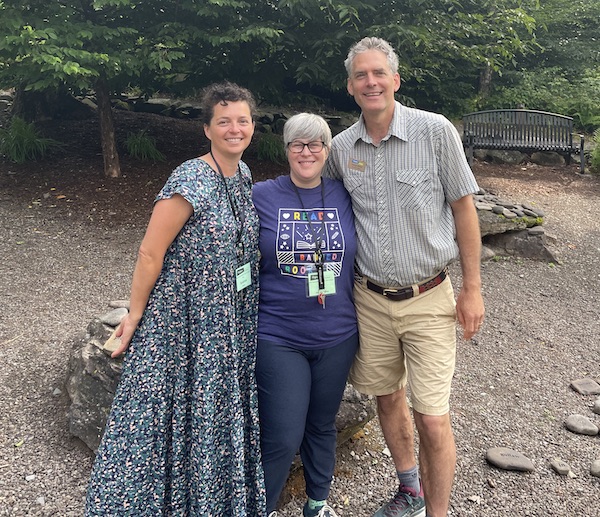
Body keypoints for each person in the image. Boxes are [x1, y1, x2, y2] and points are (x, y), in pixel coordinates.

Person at [85, 81, 266, 516]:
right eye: (224, 121)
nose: (234, 129)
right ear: (207, 129)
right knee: (167, 409)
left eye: (242, 120)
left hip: (226, 316)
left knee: (209, 408)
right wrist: (135, 313)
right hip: (184, 316)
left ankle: (208, 495)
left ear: (253, 126)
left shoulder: (242, 175)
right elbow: (151, 250)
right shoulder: (190, 176)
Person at [324, 37, 485, 517]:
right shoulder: (340, 148)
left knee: (432, 417)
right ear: (351, 87)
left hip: (429, 296)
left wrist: (473, 290)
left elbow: (463, 207)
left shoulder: (435, 133)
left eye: (379, 73)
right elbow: (321, 206)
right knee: (386, 397)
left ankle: (437, 513)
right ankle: (409, 491)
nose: (370, 82)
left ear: (395, 79)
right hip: (368, 299)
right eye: (361, 75)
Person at [252, 113, 358, 517]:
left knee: (321, 425)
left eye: (316, 144)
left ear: (328, 151)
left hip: (338, 334)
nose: (306, 151)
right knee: (282, 434)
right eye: (297, 143)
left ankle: (317, 503)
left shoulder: (344, 194)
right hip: (279, 335)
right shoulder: (261, 194)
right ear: (286, 149)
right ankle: (261, 507)